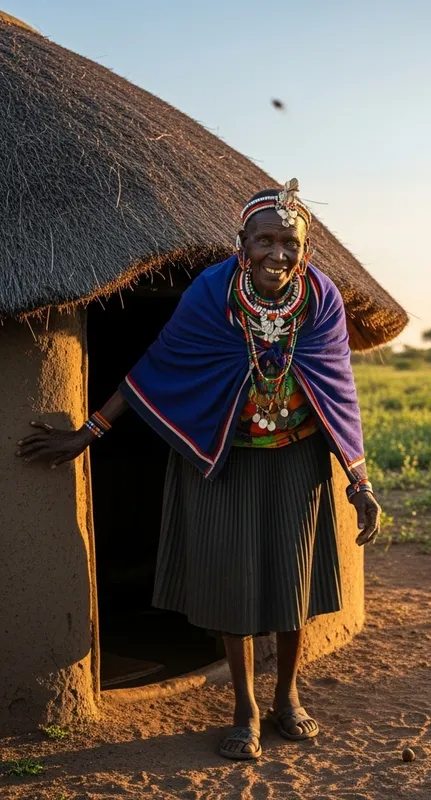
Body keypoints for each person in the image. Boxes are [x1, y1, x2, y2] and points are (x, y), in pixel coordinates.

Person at [15, 179, 381, 761]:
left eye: (290, 243)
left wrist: (359, 483)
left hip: (297, 457)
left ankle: (287, 696)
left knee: (291, 582)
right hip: (221, 456)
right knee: (233, 581)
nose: (277, 254)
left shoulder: (321, 297)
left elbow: (338, 389)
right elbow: (158, 368)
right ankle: (246, 707)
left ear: (305, 249)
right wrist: (86, 434)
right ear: (242, 241)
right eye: (265, 240)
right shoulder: (214, 292)